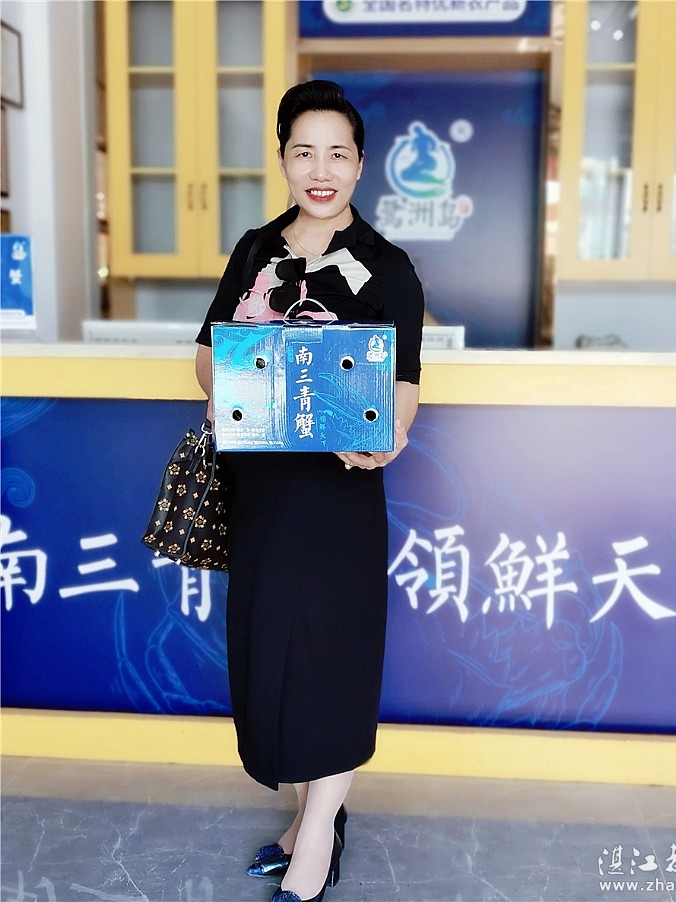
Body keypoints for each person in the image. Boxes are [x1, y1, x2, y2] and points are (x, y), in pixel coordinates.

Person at [194, 80, 424, 902]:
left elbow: (403, 384)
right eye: (304, 152)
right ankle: (305, 819)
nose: (320, 170)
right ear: (283, 159)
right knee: (275, 661)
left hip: (337, 500)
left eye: (337, 154)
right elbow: (207, 354)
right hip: (262, 496)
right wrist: (230, 378)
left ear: (360, 165)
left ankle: (318, 838)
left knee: (331, 661)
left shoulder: (388, 267)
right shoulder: (255, 250)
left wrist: (387, 437)